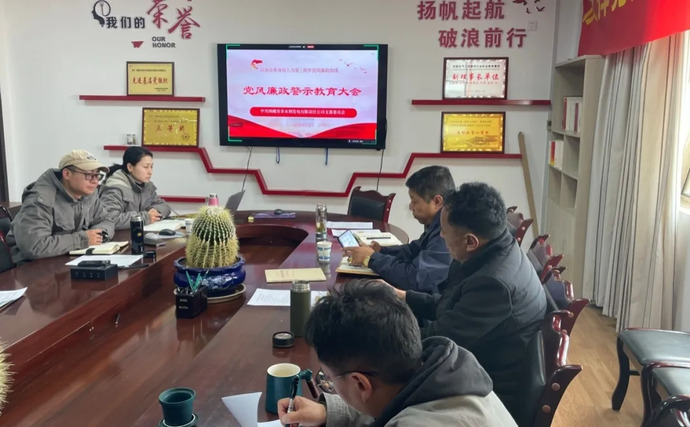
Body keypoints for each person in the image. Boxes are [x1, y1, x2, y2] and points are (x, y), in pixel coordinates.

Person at [394, 182, 547, 417]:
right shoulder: (496, 250)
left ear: (470, 241)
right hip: (477, 362)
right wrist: (403, 296)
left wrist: (384, 332)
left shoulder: (494, 284)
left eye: (444, 232)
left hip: (487, 393)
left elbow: (439, 340)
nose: (441, 235)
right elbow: (450, 306)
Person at [277, 279, 517, 426]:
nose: (329, 384)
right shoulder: (446, 376)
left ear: (360, 383)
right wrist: (327, 412)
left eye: (329, 379)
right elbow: (392, 405)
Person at [345, 166, 455, 294]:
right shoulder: (438, 223)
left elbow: (415, 279)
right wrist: (381, 251)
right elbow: (413, 250)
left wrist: (371, 258)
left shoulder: (447, 232)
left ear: (437, 201)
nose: (410, 206)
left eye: (414, 201)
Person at [6, 150, 115, 264]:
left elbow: (106, 220)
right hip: (31, 265)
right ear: (67, 174)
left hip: (67, 257)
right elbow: (34, 246)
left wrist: (99, 235)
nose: (95, 181)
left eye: (97, 175)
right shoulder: (41, 199)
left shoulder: (88, 193)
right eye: (89, 175)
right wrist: (82, 239)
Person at [99, 146, 171, 230]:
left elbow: (163, 205)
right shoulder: (115, 188)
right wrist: (145, 217)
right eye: (146, 167)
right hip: (120, 236)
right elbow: (110, 219)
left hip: (140, 233)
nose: (150, 172)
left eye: (151, 167)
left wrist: (155, 210)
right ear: (130, 167)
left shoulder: (146, 185)